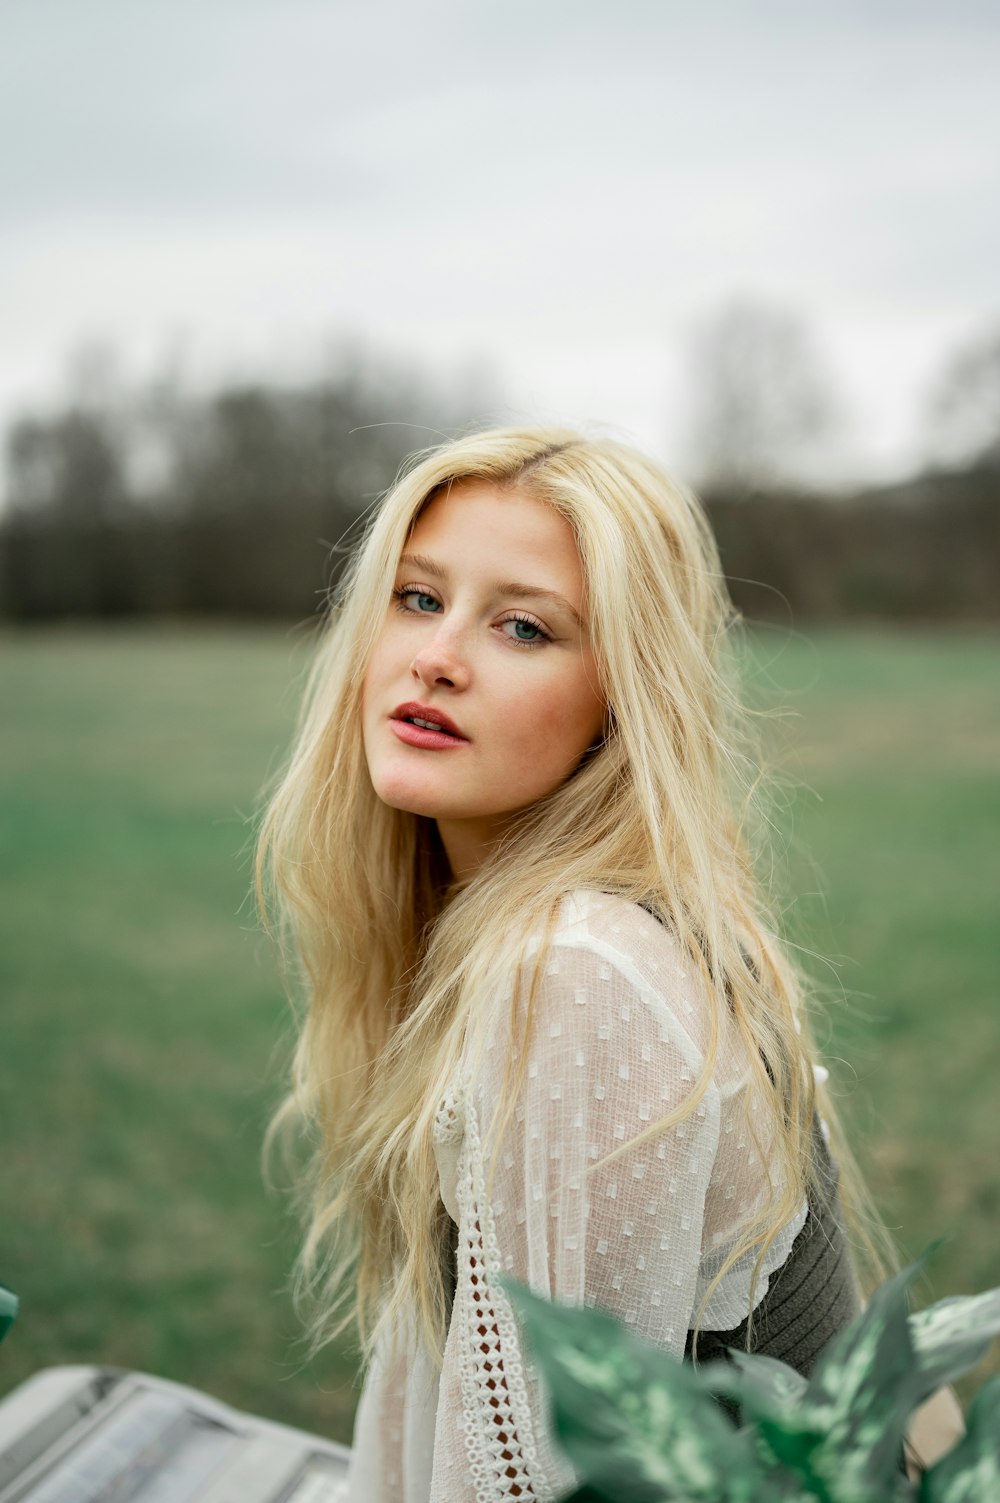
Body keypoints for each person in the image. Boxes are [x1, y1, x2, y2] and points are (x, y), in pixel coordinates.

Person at [256, 427, 890, 1500]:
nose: (437, 657)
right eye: (416, 598)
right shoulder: (523, 929)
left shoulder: (577, 969)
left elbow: (534, 1473)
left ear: (621, 700)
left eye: (521, 626)